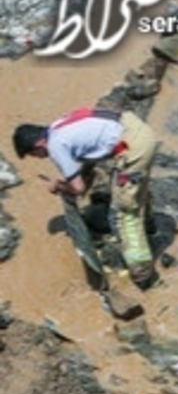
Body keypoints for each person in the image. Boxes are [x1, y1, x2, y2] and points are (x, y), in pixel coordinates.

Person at [13, 106, 160, 287]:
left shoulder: (55, 146)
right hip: (135, 128)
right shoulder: (58, 126)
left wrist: (59, 185)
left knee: (123, 213)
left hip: (133, 148)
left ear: (38, 145)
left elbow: (79, 188)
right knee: (134, 191)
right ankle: (150, 227)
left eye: (34, 155)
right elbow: (89, 157)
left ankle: (142, 273)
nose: (40, 158)